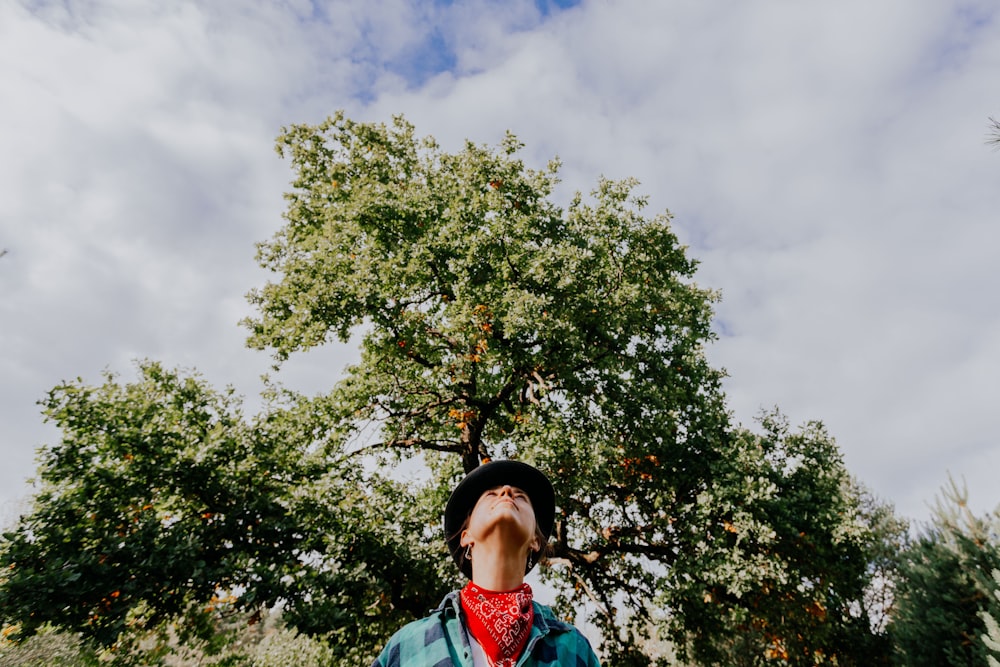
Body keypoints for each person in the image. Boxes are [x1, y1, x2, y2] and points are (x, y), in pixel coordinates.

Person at [371, 459, 601, 666]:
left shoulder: (573, 648)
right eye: (491, 494)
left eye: (521, 497)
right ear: (466, 536)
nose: (507, 492)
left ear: (535, 540)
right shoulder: (409, 645)